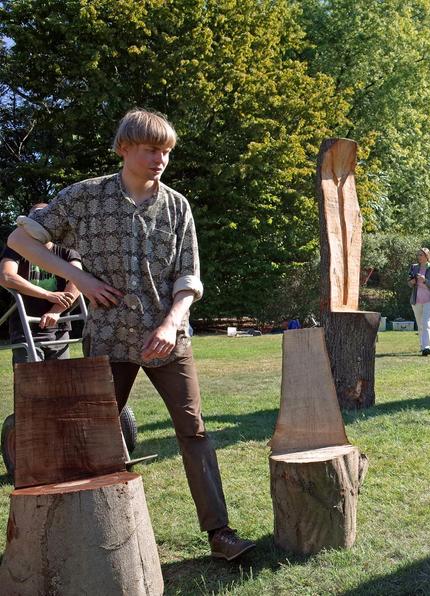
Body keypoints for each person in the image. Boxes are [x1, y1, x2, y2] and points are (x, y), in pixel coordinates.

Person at [7, 108, 255, 561]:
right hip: (107, 337)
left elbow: (189, 277)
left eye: (166, 150)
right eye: (151, 148)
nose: (160, 158)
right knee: (95, 437)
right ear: (125, 148)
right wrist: (75, 277)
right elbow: (22, 242)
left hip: (167, 341)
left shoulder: (177, 205)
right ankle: (85, 542)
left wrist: (170, 321)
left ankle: (220, 534)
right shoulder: (84, 198)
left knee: (194, 431)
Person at [0, 204, 82, 363]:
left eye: (44, 217)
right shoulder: (17, 246)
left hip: (59, 326)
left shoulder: (66, 248)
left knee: (61, 383)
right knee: (30, 383)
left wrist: (56, 311)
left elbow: (79, 279)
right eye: (34, 218)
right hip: (24, 325)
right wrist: (46, 294)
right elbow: (5, 276)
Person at [408, 247, 430, 356]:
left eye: (421, 255)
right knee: (420, 325)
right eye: (418, 255)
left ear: (427, 256)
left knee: (426, 323)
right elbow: (409, 283)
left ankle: (427, 346)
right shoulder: (414, 267)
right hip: (416, 300)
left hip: (429, 300)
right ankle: (422, 346)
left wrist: (425, 280)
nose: (419, 257)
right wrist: (412, 282)